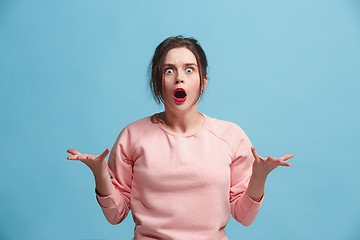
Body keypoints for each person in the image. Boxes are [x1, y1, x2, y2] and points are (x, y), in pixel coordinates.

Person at [67, 35, 294, 239]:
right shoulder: (132, 135)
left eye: (189, 69)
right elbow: (116, 214)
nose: (179, 78)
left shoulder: (231, 136)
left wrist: (259, 176)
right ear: (157, 84)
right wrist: (99, 174)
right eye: (168, 70)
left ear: (203, 82)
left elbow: (244, 217)